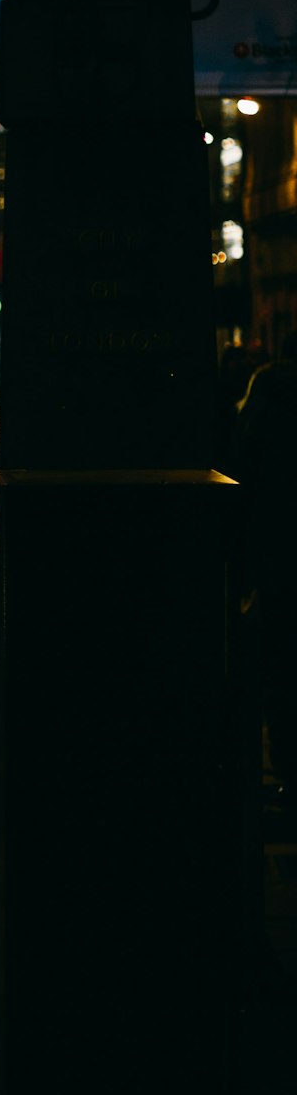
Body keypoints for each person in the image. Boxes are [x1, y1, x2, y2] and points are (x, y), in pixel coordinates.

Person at [231, 332, 297, 806]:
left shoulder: (261, 406)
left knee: (281, 669)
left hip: (277, 560)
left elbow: (242, 493)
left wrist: (241, 572)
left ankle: (290, 770)